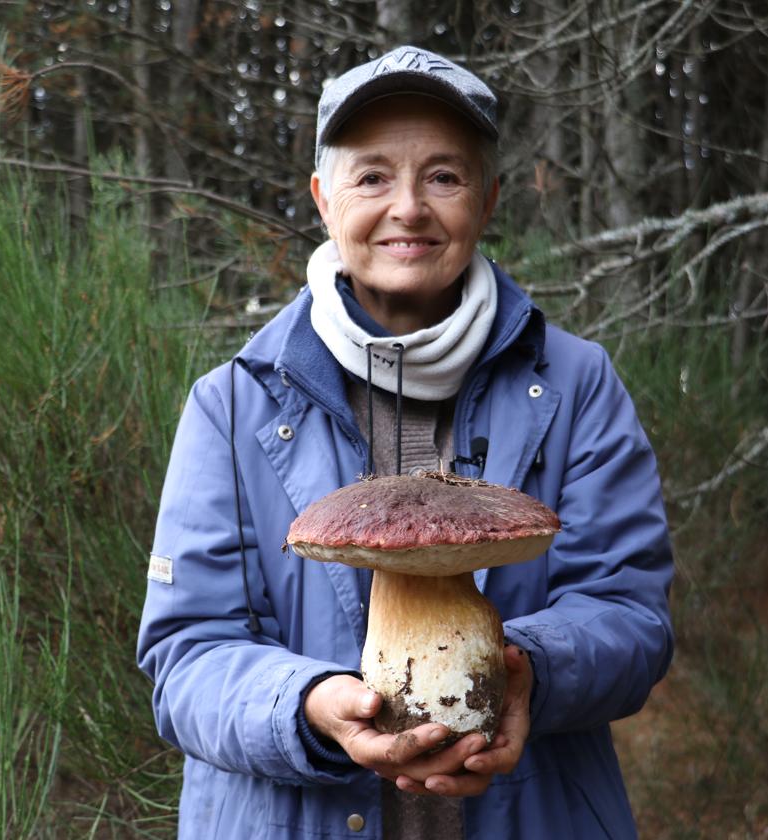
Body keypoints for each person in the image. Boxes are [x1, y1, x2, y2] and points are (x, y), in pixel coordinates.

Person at [137, 45, 674, 839]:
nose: (410, 208)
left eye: (445, 177)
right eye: (373, 176)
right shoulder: (234, 403)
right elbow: (186, 656)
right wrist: (311, 705)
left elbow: (630, 614)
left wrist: (528, 671)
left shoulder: (576, 384)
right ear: (324, 199)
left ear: (487, 200)